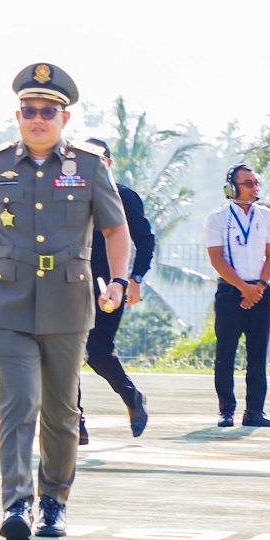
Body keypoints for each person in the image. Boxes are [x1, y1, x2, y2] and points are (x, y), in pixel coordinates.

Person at [0, 62, 131, 540]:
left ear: (64, 118)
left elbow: (116, 229)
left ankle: (53, 502)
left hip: (69, 300)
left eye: (48, 111)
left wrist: (118, 281)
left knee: (61, 410)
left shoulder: (89, 166)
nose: (38, 119)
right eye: (29, 110)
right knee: (19, 404)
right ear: (18, 115)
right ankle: (17, 504)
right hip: (11, 298)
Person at [77, 138, 156, 444]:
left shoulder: (124, 196)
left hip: (112, 285)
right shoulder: (69, 197)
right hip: (71, 284)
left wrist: (133, 279)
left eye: (98, 159)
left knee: (97, 351)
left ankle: (132, 397)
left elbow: (145, 241)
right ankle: (75, 422)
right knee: (67, 353)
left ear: (109, 163)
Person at [205, 163, 270, 428]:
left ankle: (255, 411)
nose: (254, 188)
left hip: (260, 290)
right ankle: (226, 410)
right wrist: (242, 288)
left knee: (257, 354)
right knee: (226, 352)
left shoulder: (266, 216)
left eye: (256, 182)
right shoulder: (217, 218)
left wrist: (258, 286)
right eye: (248, 183)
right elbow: (217, 258)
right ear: (232, 187)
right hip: (230, 291)